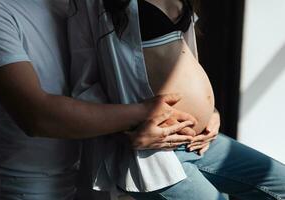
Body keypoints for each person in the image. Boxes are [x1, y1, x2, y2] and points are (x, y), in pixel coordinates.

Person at [69, 0, 285, 199]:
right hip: (153, 152)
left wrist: (211, 111)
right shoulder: (95, 3)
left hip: (198, 141)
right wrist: (122, 133)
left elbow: (182, 58)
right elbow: (85, 83)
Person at [0, 0, 197, 199]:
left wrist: (202, 108)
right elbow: (36, 116)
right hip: (23, 185)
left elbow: (126, 73)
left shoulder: (76, 4)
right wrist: (143, 114)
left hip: (87, 172)